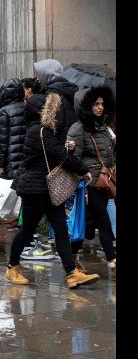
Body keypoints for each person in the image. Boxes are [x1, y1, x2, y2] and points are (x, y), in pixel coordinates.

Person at [5, 94, 98, 288]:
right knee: (27, 231)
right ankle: (12, 267)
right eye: (51, 110)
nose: (55, 114)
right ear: (42, 111)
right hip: (35, 190)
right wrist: (83, 170)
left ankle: (71, 273)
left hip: (48, 190)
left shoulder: (42, 132)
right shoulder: (38, 132)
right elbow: (60, 155)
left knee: (61, 231)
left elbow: (53, 153)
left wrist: (66, 147)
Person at [67, 87, 116, 273]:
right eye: (96, 104)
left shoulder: (104, 127)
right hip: (89, 184)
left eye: (102, 104)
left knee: (87, 223)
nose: (100, 107)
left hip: (104, 182)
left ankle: (72, 257)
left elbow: (109, 155)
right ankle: (112, 259)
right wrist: (82, 183)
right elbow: (73, 160)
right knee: (103, 219)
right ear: (86, 105)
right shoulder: (78, 129)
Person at [34, 58, 79, 140]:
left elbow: (52, 125)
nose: (37, 78)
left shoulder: (53, 92)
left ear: (47, 75)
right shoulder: (67, 88)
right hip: (70, 139)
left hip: (60, 141)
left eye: (39, 75)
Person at [0, 79, 26, 179]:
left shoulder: (4, 111)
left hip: (12, 158)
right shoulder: (29, 106)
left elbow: (3, 140)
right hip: (27, 157)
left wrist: (0, 164)